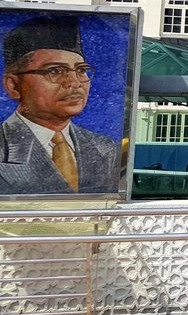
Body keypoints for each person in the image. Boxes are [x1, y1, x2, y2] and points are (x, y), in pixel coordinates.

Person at [0, 15, 118, 194]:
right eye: (55, 71)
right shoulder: (4, 147)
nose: (74, 82)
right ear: (13, 85)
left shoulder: (103, 147)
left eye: (81, 70)